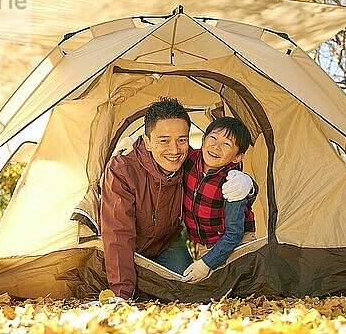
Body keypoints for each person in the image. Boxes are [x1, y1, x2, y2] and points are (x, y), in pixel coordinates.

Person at [100, 98, 254, 299]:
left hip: (167, 242)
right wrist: (121, 294)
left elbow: (223, 169)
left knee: (188, 293)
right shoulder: (122, 171)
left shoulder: (188, 160)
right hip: (132, 245)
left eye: (182, 139)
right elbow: (117, 234)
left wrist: (249, 185)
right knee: (137, 292)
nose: (174, 150)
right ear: (146, 141)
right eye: (164, 140)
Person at [181, 117, 256, 283]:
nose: (216, 146)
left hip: (234, 244)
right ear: (203, 139)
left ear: (237, 157)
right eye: (213, 138)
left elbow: (234, 234)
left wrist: (208, 263)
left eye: (226, 144)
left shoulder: (233, 184)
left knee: (231, 289)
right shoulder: (190, 159)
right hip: (203, 244)